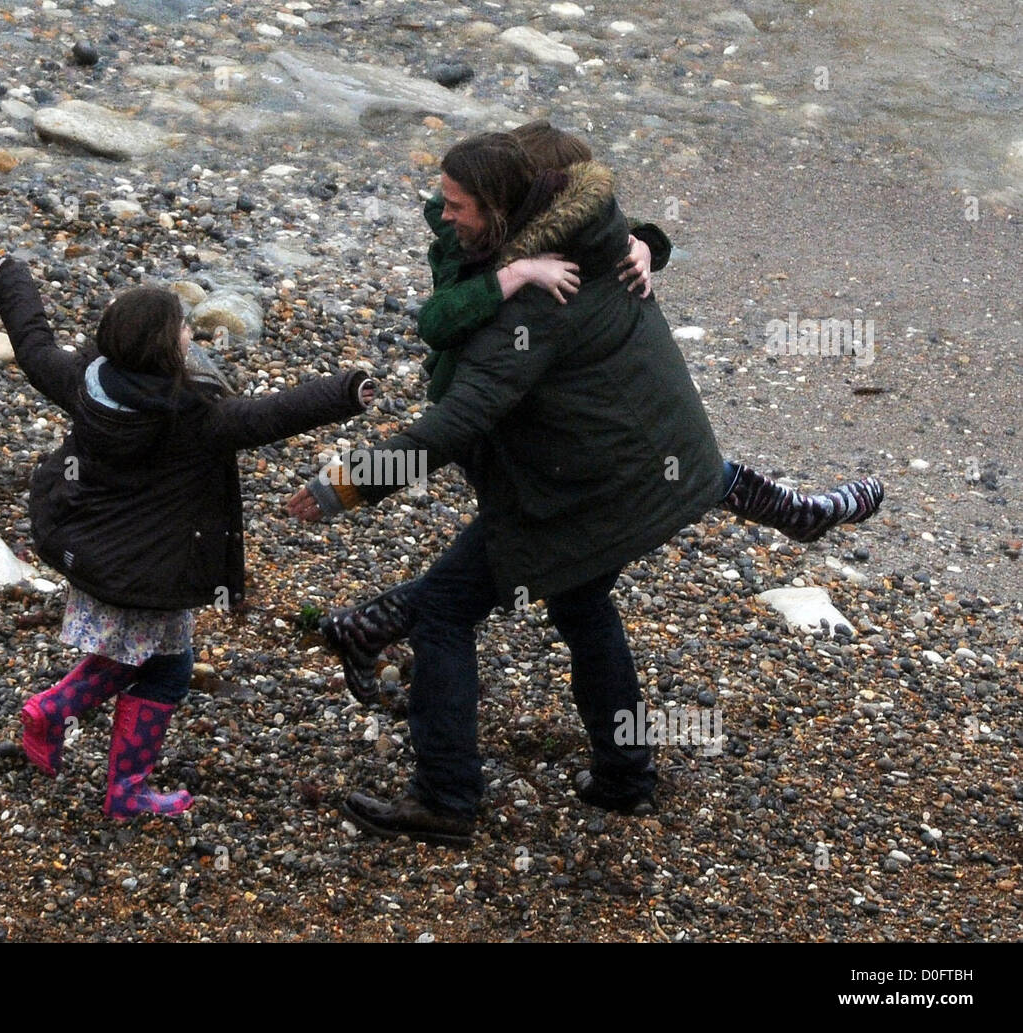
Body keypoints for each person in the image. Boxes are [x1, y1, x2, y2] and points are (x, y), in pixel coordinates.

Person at [287, 132, 881, 845]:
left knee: (446, 610)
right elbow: (510, 215)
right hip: (642, 460)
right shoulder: (595, 235)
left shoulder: (539, 303)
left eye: (458, 206)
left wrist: (344, 486)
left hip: (593, 487)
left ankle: (444, 796)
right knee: (580, 602)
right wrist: (645, 243)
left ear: (505, 209)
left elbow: (461, 419)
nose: (444, 216)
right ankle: (624, 775)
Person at [0, 252, 374, 820]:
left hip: (91, 549)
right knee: (164, 667)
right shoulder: (191, 417)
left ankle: (79, 740)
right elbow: (269, 416)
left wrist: (5, 275)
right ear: (169, 350)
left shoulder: (84, 384)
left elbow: (33, 340)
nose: (192, 332)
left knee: (142, 657)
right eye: (184, 328)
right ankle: (94, 756)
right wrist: (345, 391)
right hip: (151, 569)